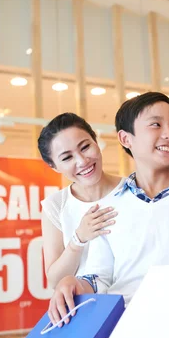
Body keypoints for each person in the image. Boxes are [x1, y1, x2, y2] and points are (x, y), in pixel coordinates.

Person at [47, 92, 169, 326]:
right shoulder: (109, 205)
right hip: (125, 326)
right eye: (156, 124)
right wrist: (74, 284)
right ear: (126, 139)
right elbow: (100, 275)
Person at [38, 113, 123, 289]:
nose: (82, 161)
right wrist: (78, 239)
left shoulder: (133, 189)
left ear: (96, 142)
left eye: (85, 147)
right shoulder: (56, 205)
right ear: (54, 166)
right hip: (90, 307)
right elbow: (55, 281)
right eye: (67, 158)